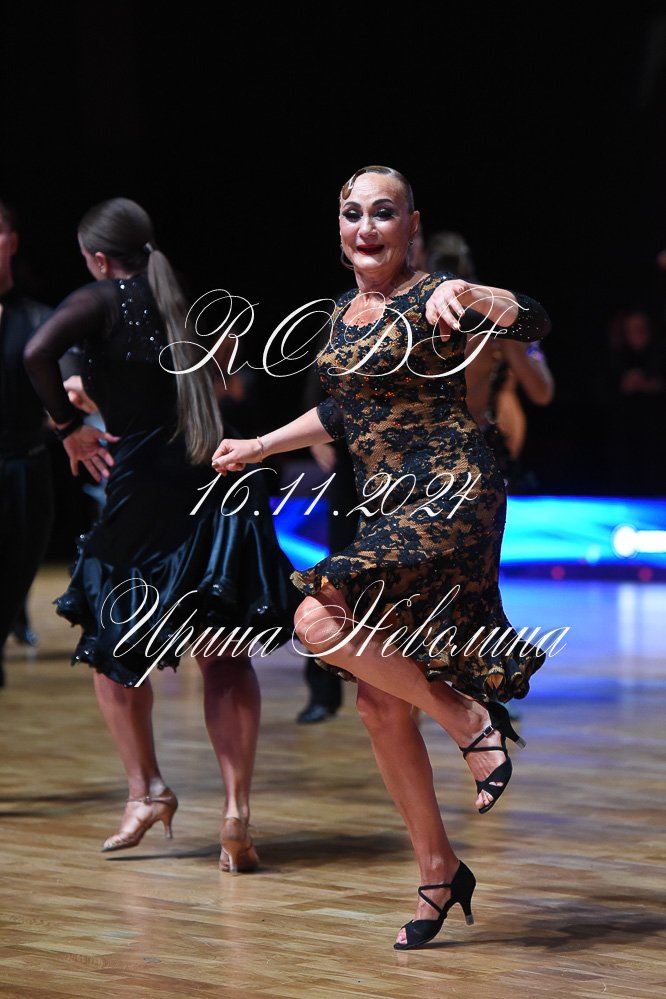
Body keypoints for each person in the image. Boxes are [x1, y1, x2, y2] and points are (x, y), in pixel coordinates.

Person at [212, 165, 551, 947]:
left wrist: (472, 293)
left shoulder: (437, 296)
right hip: (387, 508)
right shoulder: (340, 314)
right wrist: (259, 444)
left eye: (384, 213)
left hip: (453, 494)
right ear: (339, 227)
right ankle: (438, 869)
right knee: (376, 702)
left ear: (411, 225)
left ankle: (467, 717)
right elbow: (343, 410)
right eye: (352, 213)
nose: (366, 226)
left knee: (314, 617)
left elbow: (534, 318)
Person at [24, 198, 299, 871]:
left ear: (97, 257)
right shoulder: (181, 300)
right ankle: (235, 813)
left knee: (111, 646)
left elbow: (37, 351)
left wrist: (68, 426)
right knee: (225, 656)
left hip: (145, 494)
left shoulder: (102, 298)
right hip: (220, 481)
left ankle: (146, 789)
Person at [0, 200, 54, 688]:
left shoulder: (40, 320)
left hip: (22, 468)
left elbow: (69, 383)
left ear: (12, 241)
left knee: (14, 578)